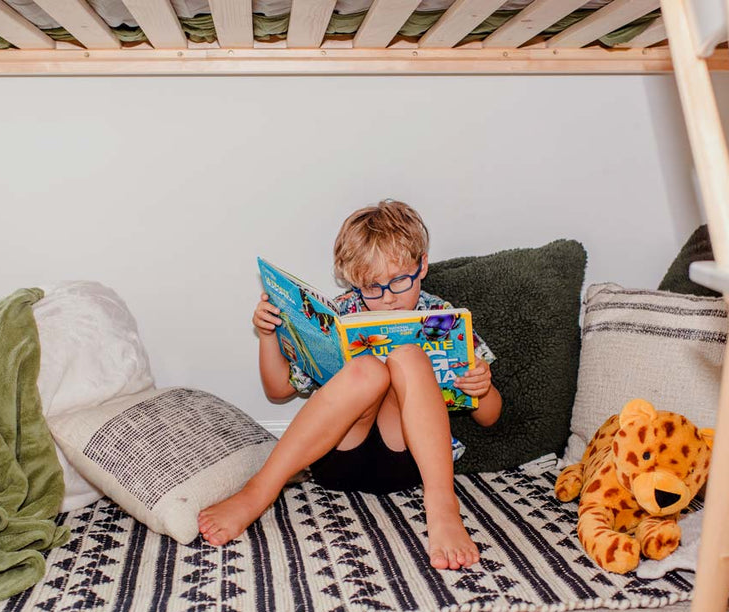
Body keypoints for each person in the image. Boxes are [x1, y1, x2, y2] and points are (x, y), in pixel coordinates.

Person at [199, 200, 502, 570]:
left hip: (407, 458)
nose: (388, 298)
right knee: (367, 369)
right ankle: (259, 491)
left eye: (399, 281)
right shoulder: (340, 314)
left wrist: (482, 386)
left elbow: (489, 418)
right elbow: (278, 391)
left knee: (407, 357)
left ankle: (442, 508)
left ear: (422, 265)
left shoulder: (445, 318)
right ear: (354, 282)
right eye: (372, 288)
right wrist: (268, 336)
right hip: (337, 453)